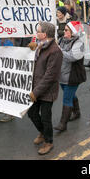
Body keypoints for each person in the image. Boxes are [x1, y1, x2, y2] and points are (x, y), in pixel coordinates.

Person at [27, 22, 63, 155]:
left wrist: (35, 92)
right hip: (36, 87)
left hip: (47, 91)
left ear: (45, 34)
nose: (36, 33)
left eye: (38, 31)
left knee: (45, 117)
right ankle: (42, 132)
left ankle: (49, 142)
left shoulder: (55, 51)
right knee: (32, 113)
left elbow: (50, 76)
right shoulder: (40, 46)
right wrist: (30, 50)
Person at [55, 21, 86, 131]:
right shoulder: (61, 40)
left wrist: (59, 50)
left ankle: (63, 124)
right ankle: (77, 112)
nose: (64, 31)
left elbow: (72, 57)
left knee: (67, 98)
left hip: (73, 76)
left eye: (67, 30)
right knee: (70, 94)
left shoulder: (79, 43)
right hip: (62, 74)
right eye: (64, 29)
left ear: (73, 32)